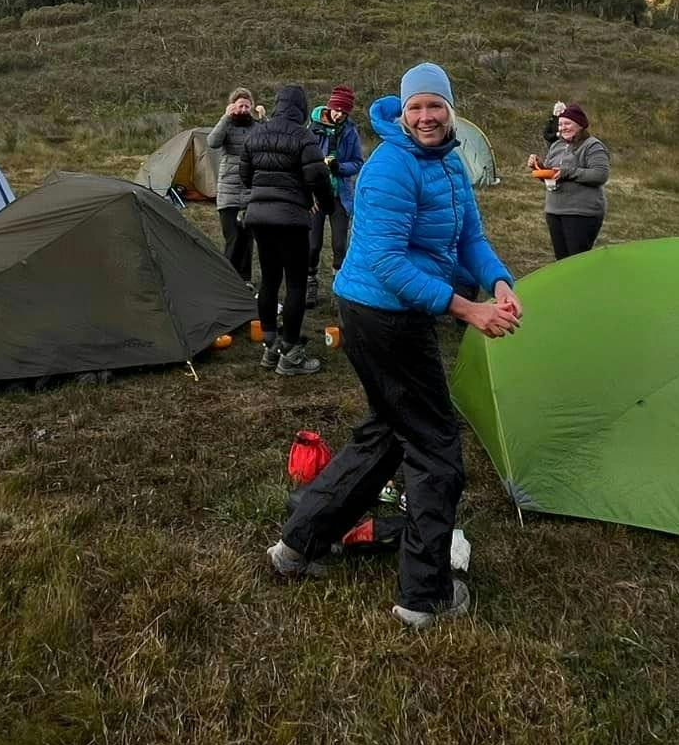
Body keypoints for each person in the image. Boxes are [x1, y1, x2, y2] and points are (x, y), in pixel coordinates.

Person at [268, 62, 522, 629]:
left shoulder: (451, 165)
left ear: (451, 110)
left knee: (386, 433)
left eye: (436, 106)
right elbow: (385, 261)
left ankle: (298, 543)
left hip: (400, 310)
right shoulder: (389, 166)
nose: (427, 117)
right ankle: (424, 596)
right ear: (402, 114)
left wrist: (500, 282)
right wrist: (464, 308)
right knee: (435, 448)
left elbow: (470, 239)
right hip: (380, 314)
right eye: (416, 108)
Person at [238, 84, 336, 376]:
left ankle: (270, 346)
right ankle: (291, 352)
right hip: (292, 219)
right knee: (295, 283)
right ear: (302, 108)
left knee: (269, 278)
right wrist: (324, 205)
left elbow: (245, 175)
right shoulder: (304, 137)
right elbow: (318, 177)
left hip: (259, 217)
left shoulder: (256, 133)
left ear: (277, 104)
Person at [305, 84, 365, 305]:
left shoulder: (350, 131)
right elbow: (303, 161)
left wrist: (339, 167)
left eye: (344, 111)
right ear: (329, 107)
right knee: (313, 244)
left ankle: (340, 288)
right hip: (316, 195)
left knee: (340, 244)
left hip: (341, 195)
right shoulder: (312, 128)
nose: (339, 114)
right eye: (336, 109)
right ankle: (310, 284)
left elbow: (358, 162)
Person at [529, 102, 610, 259]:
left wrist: (568, 172)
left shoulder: (592, 146)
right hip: (554, 212)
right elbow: (553, 175)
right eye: (560, 124)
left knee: (577, 262)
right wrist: (538, 167)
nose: (563, 127)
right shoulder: (557, 146)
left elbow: (600, 175)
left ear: (580, 125)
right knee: (562, 262)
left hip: (581, 213)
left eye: (567, 123)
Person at [207, 87, 262, 288]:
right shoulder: (227, 124)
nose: (244, 109)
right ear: (232, 106)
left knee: (247, 236)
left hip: (250, 189)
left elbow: (268, 141)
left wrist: (263, 120)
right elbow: (212, 142)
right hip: (228, 189)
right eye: (240, 105)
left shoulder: (256, 126)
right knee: (233, 236)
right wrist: (225, 118)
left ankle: (245, 279)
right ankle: (226, 279)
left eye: (247, 106)